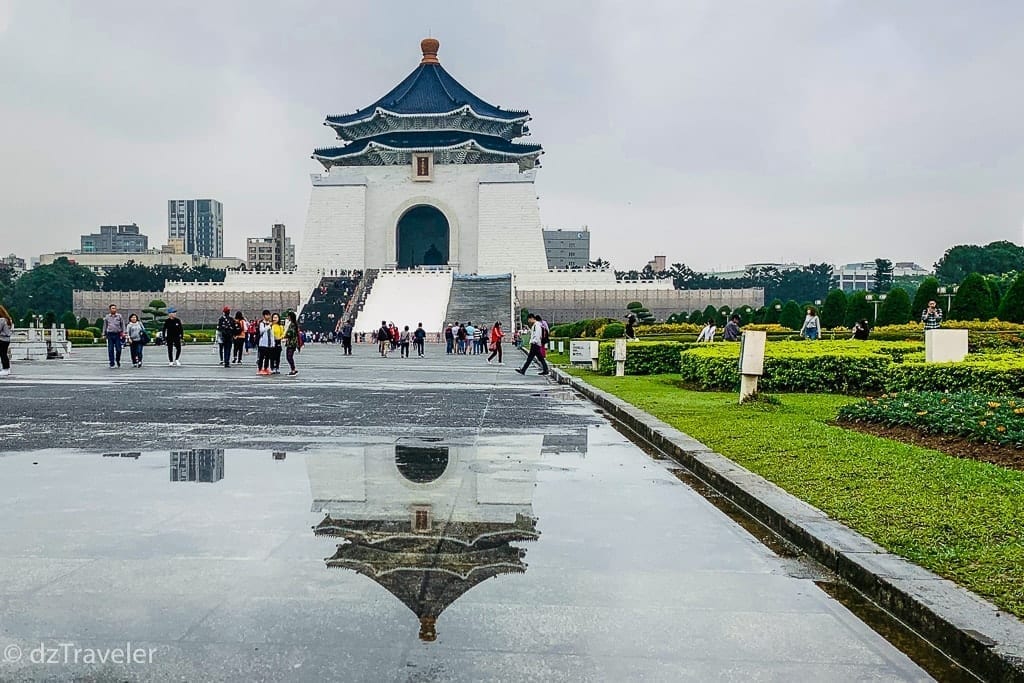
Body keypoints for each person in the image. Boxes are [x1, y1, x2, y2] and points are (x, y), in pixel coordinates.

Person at [101, 304, 126, 368]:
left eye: (115, 308)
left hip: (117, 334)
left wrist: (124, 332)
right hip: (110, 334)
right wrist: (103, 334)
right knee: (110, 349)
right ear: (110, 309)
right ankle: (112, 363)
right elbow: (105, 326)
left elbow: (122, 324)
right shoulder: (107, 317)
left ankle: (117, 360)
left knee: (118, 349)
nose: (114, 309)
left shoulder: (119, 316)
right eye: (112, 308)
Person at [257, 310, 274, 375]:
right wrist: (268, 326)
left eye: (269, 315)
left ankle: (265, 368)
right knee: (261, 357)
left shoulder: (270, 324)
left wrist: (273, 343)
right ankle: (260, 369)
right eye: (267, 315)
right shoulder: (262, 323)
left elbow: (272, 334)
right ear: (264, 316)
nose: (268, 316)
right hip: (262, 343)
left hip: (269, 344)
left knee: (267, 357)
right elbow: (261, 331)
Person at [284, 311, 301, 376]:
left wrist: (285, 335)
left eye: (288, 316)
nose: (287, 317)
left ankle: (293, 369)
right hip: (292, 343)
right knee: (289, 357)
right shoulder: (294, 323)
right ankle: (293, 369)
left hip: (291, 343)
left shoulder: (293, 324)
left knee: (289, 357)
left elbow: (291, 333)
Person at [0, 305, 13, 377]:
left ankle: (5, 368)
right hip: (7, 340)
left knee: (3, 354)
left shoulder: (1, 320)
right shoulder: (8, 319)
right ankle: (6, 369)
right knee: (4, 354)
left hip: (1, 339)